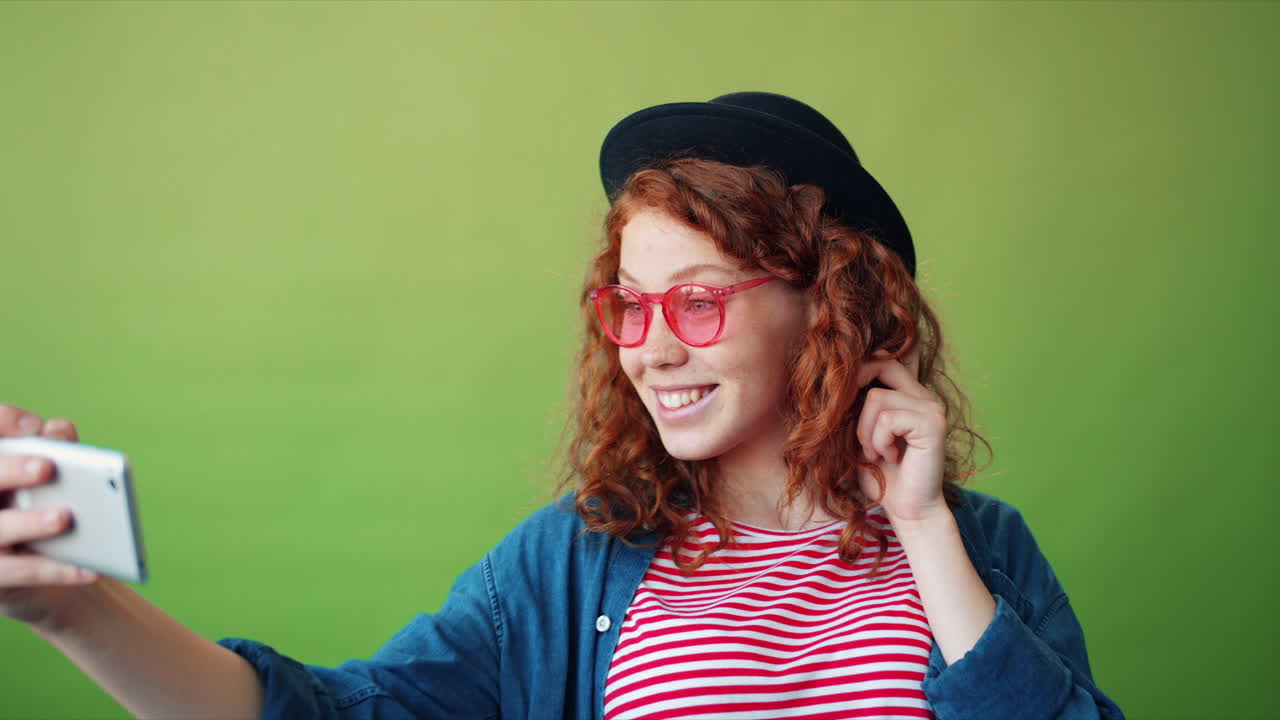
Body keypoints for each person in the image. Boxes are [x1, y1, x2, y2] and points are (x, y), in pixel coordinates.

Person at [0, 92, 1125, 719]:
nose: (650, 349)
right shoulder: (565, 570)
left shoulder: (978, 553)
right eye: (628, 307)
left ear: (823, 305)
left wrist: (924, 531)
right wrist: (77, 613)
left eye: (696, 303)